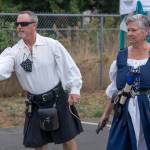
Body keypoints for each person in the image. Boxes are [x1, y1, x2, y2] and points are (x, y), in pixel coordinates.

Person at [0, 11, 83, 150]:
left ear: (34, 25)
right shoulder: (14, 52)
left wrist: (74, 89)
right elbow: (2, 68)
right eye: (18, 24)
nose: (20, 27)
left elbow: (68, 66)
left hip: (58, 98)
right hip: (35, 103)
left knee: (67, 138)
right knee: (39, 142)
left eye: (24, 24)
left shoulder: (51, 44)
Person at [99, 14, 150, 150]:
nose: (129, 34)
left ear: (146, 31)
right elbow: (115, 89)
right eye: (128, 30)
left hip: (147, 110)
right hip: (123, 112)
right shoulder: (121, 57)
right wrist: (106, 113)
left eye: (134, 30)